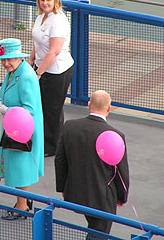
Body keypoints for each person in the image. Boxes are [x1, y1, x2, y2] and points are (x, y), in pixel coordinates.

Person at [55, 90, 129, 236]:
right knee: (99, 232)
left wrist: (63, 187)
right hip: (102, 198)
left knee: (94, 228)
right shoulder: (116, 135)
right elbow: (121, 171)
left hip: (75, 191)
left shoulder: (70, 127)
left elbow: (60, 160)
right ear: (109, 108)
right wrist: (122, 196)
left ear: (89, 105)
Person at [0, 38, 44, 220]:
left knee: (21, 168)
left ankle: (22, 207)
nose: (6, 63)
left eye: (9, 59)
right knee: (18, 166)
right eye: (3, 60)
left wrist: (8, 111)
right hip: (15, 127)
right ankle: (23, 202)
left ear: (19, 57)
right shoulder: (15, 72)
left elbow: (30, 109)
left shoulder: (26, 76)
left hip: (24, 130)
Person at [28, 0, 75, 157]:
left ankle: (53, 146)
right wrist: (31, 59)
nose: (45, 3)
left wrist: (38, 73)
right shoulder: (41, 17)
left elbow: (54, 51)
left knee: (52, 109)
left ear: (55, 0)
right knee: (42, 106)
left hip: (57, 71)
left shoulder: (58, 20)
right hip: (42, 67)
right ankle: (45, 139)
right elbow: (37, 41)